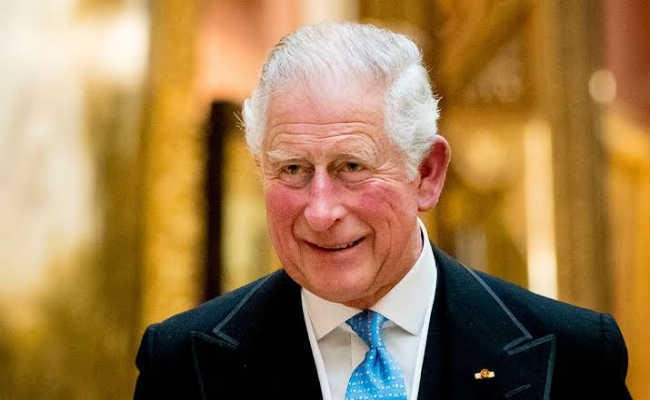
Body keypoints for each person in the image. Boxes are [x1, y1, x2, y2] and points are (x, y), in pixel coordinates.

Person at [134, 22, 630, 399]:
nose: (321, 211)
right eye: (292, 169)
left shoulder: (571, 355)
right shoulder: (183, 363)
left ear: (427, 173)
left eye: (351, 166)